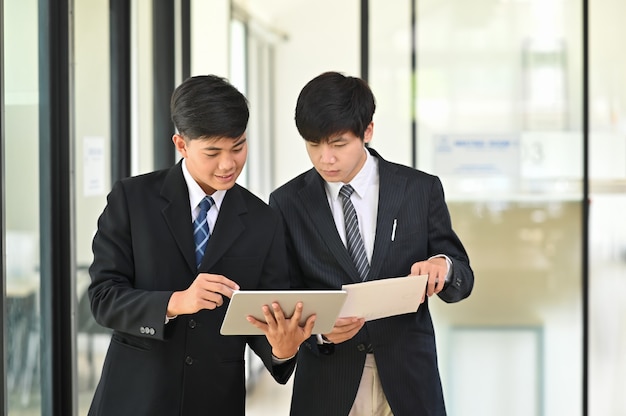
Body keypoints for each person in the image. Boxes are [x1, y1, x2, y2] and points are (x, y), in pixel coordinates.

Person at [87, 74, 314, 416]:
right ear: (181, 145)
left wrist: (282, 349)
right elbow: (104, 298)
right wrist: (176, 302)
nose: (228, 164)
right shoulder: (132, 200)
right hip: (135, 397)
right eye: (213, 152)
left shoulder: (263, 220)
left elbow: (264, 312)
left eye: (238, 147)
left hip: (215, 400)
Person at [269, 71, 474, 416]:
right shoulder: (287, 202)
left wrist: (444, 265)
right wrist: (321, 331)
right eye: (313, 145)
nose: (325, 159)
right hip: (328, 380)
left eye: (337, 144)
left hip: (408, 377)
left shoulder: (419, 190)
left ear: (368, 132)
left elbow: (461, 278)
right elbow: (284, 293)